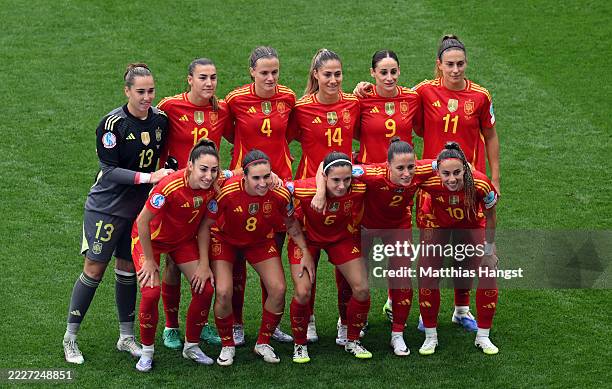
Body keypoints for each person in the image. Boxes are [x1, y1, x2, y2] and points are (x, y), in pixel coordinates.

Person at [355, 36, 500, 331]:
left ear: (466, 64)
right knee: (431, 250)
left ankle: (461, 309)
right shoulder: (423, 91)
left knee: (467, 251)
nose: (456, 69)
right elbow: (396, 104)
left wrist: (495, 178)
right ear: (439, 65)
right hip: (432, 183)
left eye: (460, 64)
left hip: (469, 183)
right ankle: (422, 311)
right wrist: (365, 89)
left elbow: (491, 135)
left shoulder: (481, 96)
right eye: (450, 64)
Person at [63, 63, 172, 364]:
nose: (147, 97)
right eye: (140, 92)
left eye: (151, 91)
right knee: (94, 270)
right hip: (107, 208)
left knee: (127, 269)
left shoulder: (161, 120)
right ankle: (70, 338)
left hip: (139, 211)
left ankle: (126, 337)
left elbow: (166, 156)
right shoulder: (112, 125)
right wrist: (149, 178)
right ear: (127, 91)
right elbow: (109, 171)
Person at [329, 138, 437, 356]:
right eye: (400, 168)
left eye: (410, 167)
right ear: (388, 166)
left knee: (402, 277)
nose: (407, 173)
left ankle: (397, 334)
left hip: (397, 227)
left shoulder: (423, 169)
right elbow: (330, 172)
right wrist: (322, 192)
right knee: (351, 278)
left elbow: (452, 162)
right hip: (364, 227)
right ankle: (345, 324)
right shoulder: (370, 173)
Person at [207, 150, 312, 365]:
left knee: (278, 288)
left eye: (266, 176)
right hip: (224, 240)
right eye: (256, 178)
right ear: (244, 176)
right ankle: (227, 345)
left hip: (259, 241)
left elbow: (292, 224)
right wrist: (201, 261)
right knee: (224, 291)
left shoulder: (280, 193)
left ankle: (263, 342)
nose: (263, 183)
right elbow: (206, 224)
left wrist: (305, 251)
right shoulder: (226, 191)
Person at [155, 58, 232, 349]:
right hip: (177, 196)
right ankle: (171, 326)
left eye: (213, 77)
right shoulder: (170, 106)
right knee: (174, 263)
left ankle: (201, 324)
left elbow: (237, 138)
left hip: (207, 194)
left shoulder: (221, 109)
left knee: (206, 261)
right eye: (202, 77)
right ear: (189, 79)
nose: (209, 83)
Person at [286, 49, 360, 340]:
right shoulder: (302, 108)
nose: (333, 80)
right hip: (309, 195)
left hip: (344, 192)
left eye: (338, 74)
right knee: (310, 256)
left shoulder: (354, 103)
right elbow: (282, 137)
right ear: (315, 75)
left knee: (345, 258)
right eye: (327, 74)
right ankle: (310, 317)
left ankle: (346, 320)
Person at [224, 47, 296, 345]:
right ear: (251, 71)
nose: (270, 78)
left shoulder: (288, 98)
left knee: (274, 252)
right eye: (264, 72)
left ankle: (273, 324)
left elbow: (289, 134)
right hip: (243, 187)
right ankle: (237, 323)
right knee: (238, 256)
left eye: (275, 72)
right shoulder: (235, 99)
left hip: (279, 186)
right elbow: (228, 132)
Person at [131, 139, 220, 372]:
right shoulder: (169, 186)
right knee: (150, 292)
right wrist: (149, 261)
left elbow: (203, 227)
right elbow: (142, 221)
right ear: (190, 166)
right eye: (203, 169)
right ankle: (147, 351)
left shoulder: (212, 187)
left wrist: (203, 263)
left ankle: (191, 346)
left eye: (213, 170)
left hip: (181, 241)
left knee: (206, 287)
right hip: (151, 240)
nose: (209, 176)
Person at [286, 152, 372, 362]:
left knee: (361, 289)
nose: (342, 186)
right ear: (324, 178)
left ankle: (352, 340)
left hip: (340, 239)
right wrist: (320, 191)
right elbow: (279, 190)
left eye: (346, 179)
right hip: (306, 240)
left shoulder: (360, 185)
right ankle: (299, 345)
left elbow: (389, 171)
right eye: (335, 180)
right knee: (303, 291)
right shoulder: (304, 188)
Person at [416, 142, 499, 356]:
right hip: (436, 223)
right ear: (437, 171)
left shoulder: (481, 184)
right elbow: (398, 171)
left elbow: (491, 216)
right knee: (426, 273)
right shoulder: (427, 178)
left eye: (457, 173)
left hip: (471, 222)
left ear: (466, 169)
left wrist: (489, 250)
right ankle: (430, 337)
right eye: (446, 173)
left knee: (488, 271)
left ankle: (483, 336)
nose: (451, 179)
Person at [354, 50, 421, 164]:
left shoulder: (412, 98)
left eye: (393, 72)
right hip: (371, 169)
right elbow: (353, 132)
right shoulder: (362, 99)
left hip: (404, 170)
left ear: (399, 70)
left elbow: (420, 129)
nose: (389, 78)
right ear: (373, 72)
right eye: (384, 73)